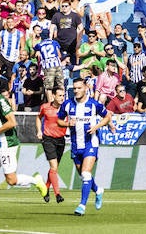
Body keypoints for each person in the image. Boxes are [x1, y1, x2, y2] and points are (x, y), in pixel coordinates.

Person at [0, 74, 46, 221]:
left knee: (11, 180)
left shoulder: (0, 100)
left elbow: (12, 122)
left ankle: (36, 180)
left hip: (7, 144)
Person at [60, 76, 110, 216]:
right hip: (76, 145)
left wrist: (97, 126)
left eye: (79, 88)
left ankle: (82, 205)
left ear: (86, 88)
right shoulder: (67, 104)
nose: (76, 91)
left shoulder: (94, 104)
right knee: (83, 176)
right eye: (74, 88)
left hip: (91, 143)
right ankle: (98, 190)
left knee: (86, 173)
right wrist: (67, 124)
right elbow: (59, 120)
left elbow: (107, 117)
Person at [36, 87, 67, 203]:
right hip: (48, 139)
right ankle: (58, 194)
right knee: (54, 167)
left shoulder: (66, 108)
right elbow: (38, 118)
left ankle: (46, 188)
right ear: (53, 96)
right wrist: (39, 131)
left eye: (63, 95)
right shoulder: (45, 107)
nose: (62, 98)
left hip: (61, 140)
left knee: (54, 169)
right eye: (59, 95)